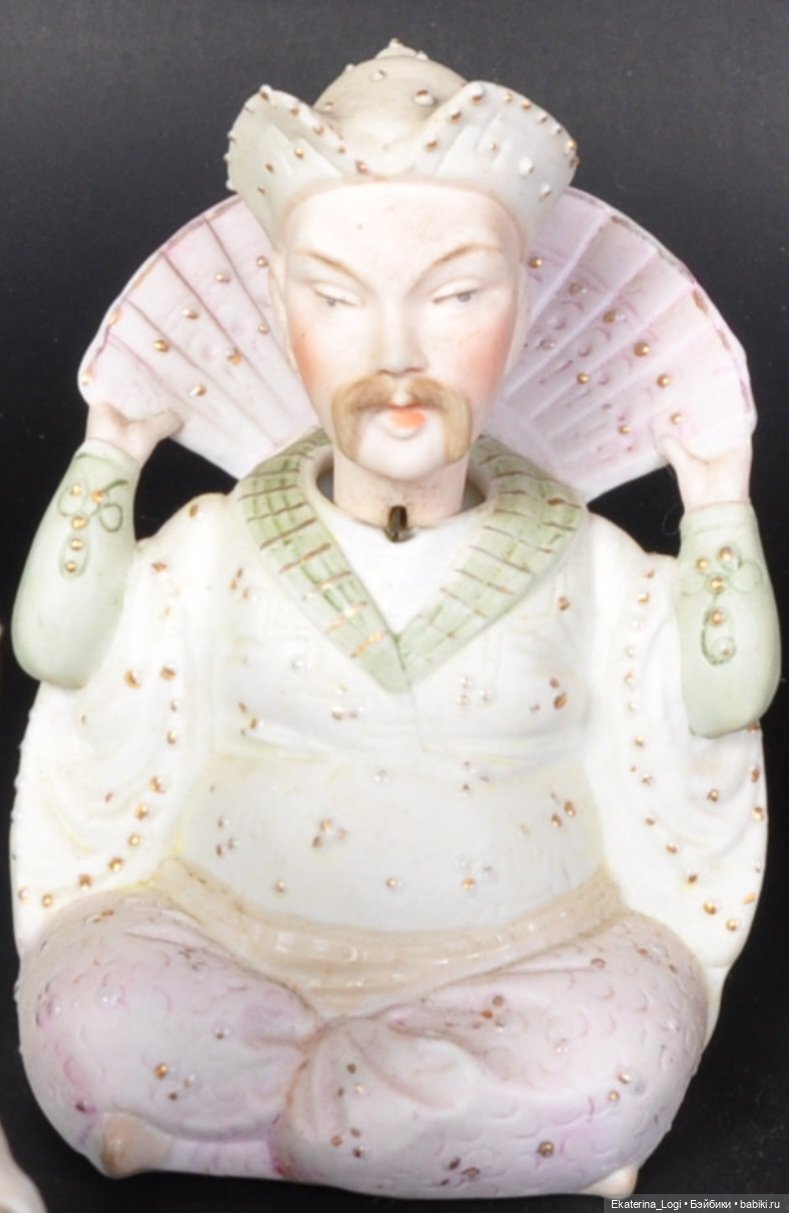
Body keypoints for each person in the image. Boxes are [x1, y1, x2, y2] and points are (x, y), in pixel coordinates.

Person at [9, 42, 779, 1199]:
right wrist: (111, 449)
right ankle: (401, 1129)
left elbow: (723, 699)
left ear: (526, 298)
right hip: (225, 940)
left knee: (620, 1052)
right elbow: (57, 649)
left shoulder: (589, 561)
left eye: (457, 295)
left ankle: (232, 1135)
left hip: (524, 959)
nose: (397, 354)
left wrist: (717, 498)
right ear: (277, 301)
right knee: (89, 1008)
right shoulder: (222, 542)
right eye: (335, 298)